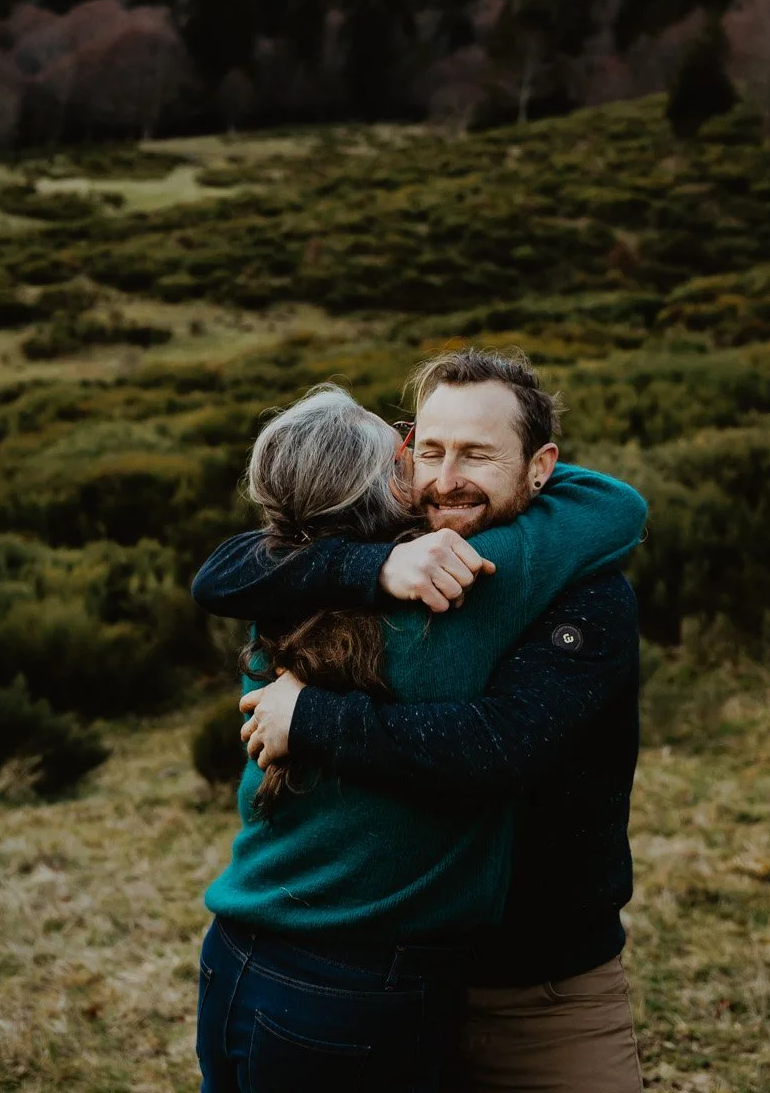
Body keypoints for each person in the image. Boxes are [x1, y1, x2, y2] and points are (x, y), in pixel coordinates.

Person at [206, 348, 646, 1093]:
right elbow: (226, 568)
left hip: (538, 981)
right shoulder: (377, 552)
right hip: (389, 974)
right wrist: (367, 569)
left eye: (477, 454)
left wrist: (314, 717)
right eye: (432, 452)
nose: (447, 481)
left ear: (540, 466)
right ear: (403, 454)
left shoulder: (577, 587)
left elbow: (497, 745)